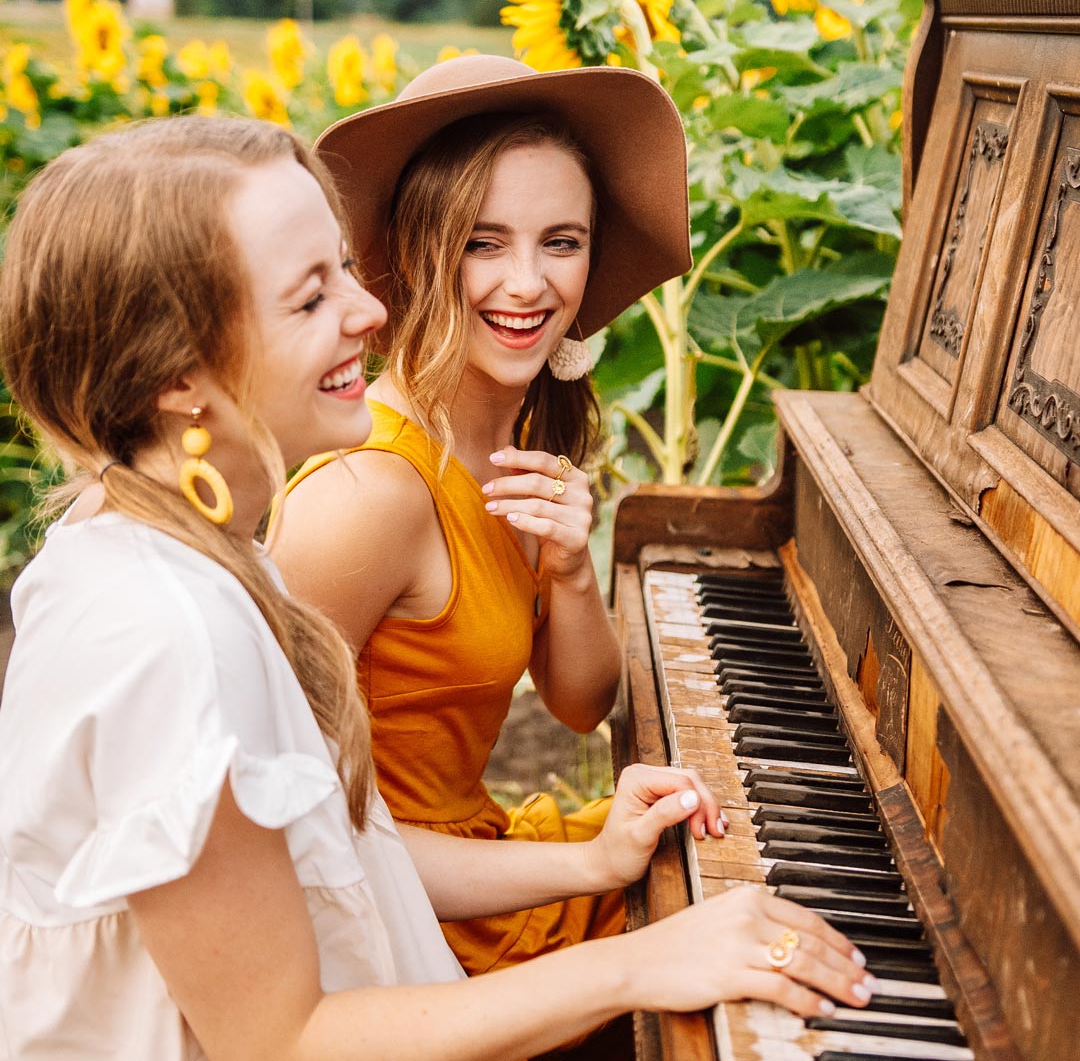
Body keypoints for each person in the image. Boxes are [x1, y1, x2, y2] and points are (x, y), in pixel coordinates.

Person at [0, 115, 876, 1060]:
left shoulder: (191, 560)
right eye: (309, 297)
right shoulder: (170, 636)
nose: (371, 311)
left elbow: (348, 851)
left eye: (346, 268)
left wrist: (588, 860)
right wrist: (642, 963)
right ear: (178, 376)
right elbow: (285, 1043)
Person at [271, 54, 692, 976]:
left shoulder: (513, 439)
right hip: (400, 930)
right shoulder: (370, 495)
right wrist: (584, 863)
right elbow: (286, 837)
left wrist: (573, 568)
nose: (530, 284)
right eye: (483, 242)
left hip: (467, 865)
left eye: (563, 241)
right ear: (421, 252)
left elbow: (582, 708)